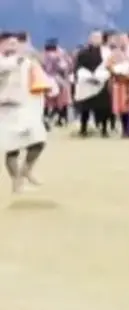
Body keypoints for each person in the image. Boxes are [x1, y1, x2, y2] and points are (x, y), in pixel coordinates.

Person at [1, 32, 54, 194]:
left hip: (27, 109)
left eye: (16, 43)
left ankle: (27, 169)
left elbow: (40, 78)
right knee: (12, 149)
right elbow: (7, 66)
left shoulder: (27, 61)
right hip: (7, 109)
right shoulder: (6, 61)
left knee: (39, 141)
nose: (14, 46)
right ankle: (16, 183)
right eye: (10, 43)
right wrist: (22, 57)